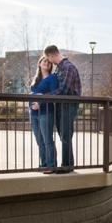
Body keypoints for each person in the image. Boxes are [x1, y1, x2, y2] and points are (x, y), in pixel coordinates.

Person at [44, 44, 82, 174]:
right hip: (61, 105)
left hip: (68, 105)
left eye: (47, 58)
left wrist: (45, 96)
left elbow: (64, 90)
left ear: (51, 55)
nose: (49, 62)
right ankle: (68, 164)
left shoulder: (67, 67)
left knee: (65, 136)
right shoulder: (60, 68)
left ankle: (66, 166)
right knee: (64, 136)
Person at [29, 56, 59, 171]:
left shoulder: (52, 78)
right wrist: (30, 106)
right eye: (44, 61)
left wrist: (40, 104)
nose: (47, 63)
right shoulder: (36, 79)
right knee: (39, 141)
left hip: (46, 112)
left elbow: (54, 95)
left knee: (47, 140)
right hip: (34, 114)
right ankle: (44, 163)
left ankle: (51, 166)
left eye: (49, 62)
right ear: (39, 64)